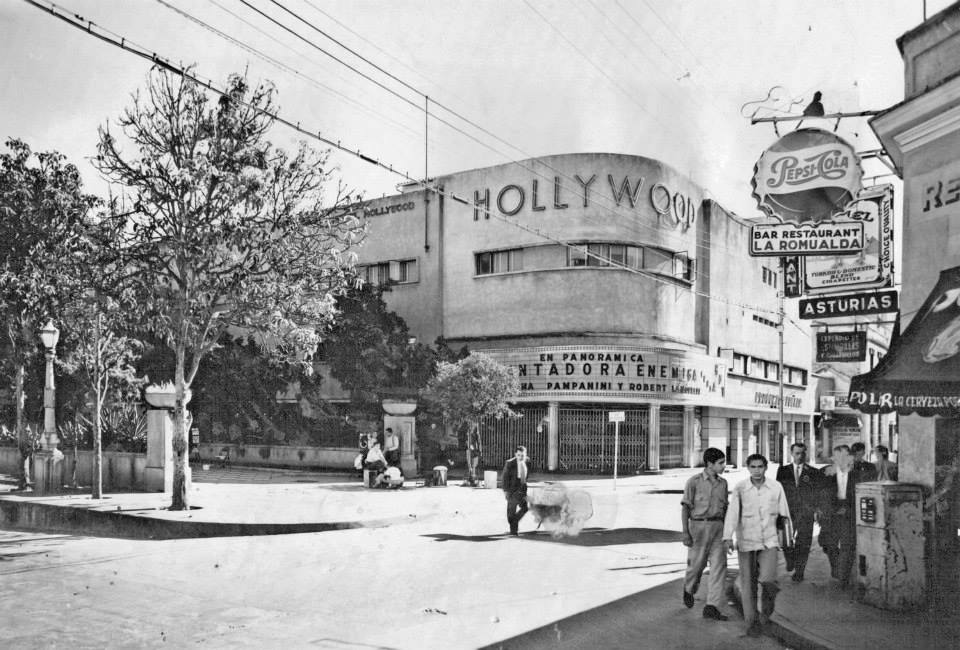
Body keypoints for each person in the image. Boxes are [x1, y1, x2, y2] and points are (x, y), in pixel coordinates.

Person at [724, 453, 791, 637]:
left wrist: (787, 539)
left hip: (769, 540)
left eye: (760, 467)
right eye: (753, 467)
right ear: (748, 468)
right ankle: (752, 623)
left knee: (769, 580)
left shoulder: (776, 487)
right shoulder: (741, 488)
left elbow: (784, 514)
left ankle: (766, 612)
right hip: (747, 541)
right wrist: (727, 537)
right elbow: (732, 513)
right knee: (748, 585)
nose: (756, 471)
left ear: (765, 468)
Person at [680, 447, 729, 621]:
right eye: (720, 463)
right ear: (709, 464)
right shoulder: (693, 482)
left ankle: (712, 606)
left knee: (719, 567)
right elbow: (685, 508)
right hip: (698, 527)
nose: (724, 466)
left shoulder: (723, 483)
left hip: (718, 528)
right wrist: (685, 532)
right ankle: (689, 588)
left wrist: (728, 535)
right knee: (696, 566)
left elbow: (726, 509)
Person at [818, 444, 868, 588]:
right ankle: (837, 568)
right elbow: (820, 495)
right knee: (828, 544)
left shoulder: (858, 475)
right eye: (837, 456)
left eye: (844, 456)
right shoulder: (825, 473)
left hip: (848, 514)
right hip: (831, 515)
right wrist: (824, 510)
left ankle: (843, 577)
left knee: (848, 546)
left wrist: (847, 509)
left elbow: (860, 497)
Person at [775, 442, 819, 582]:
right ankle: (790, 560)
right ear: (792, 454)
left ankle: (799, 572)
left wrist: (815, 510)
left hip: (806, 512)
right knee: (785, 540)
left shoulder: (813, 472)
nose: (800, 456)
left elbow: (817, 494)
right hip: (787, 511)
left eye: (802, 453)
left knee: (804, 543)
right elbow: (778, 491)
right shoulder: (783, 471)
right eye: (797, 453)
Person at [502, 445, 530, 536]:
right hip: (513, 489)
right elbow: (505, 478)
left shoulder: (527, 461)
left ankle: (514, 523)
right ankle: (513, 531)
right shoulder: (510, 463)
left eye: (523, 455)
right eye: (519, 455)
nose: (521, 457)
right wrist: (506, 491)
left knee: (525, 508)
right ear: (515, 454)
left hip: (522, 488)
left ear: (525, 455)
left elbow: (526, 475)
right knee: (511, 512)